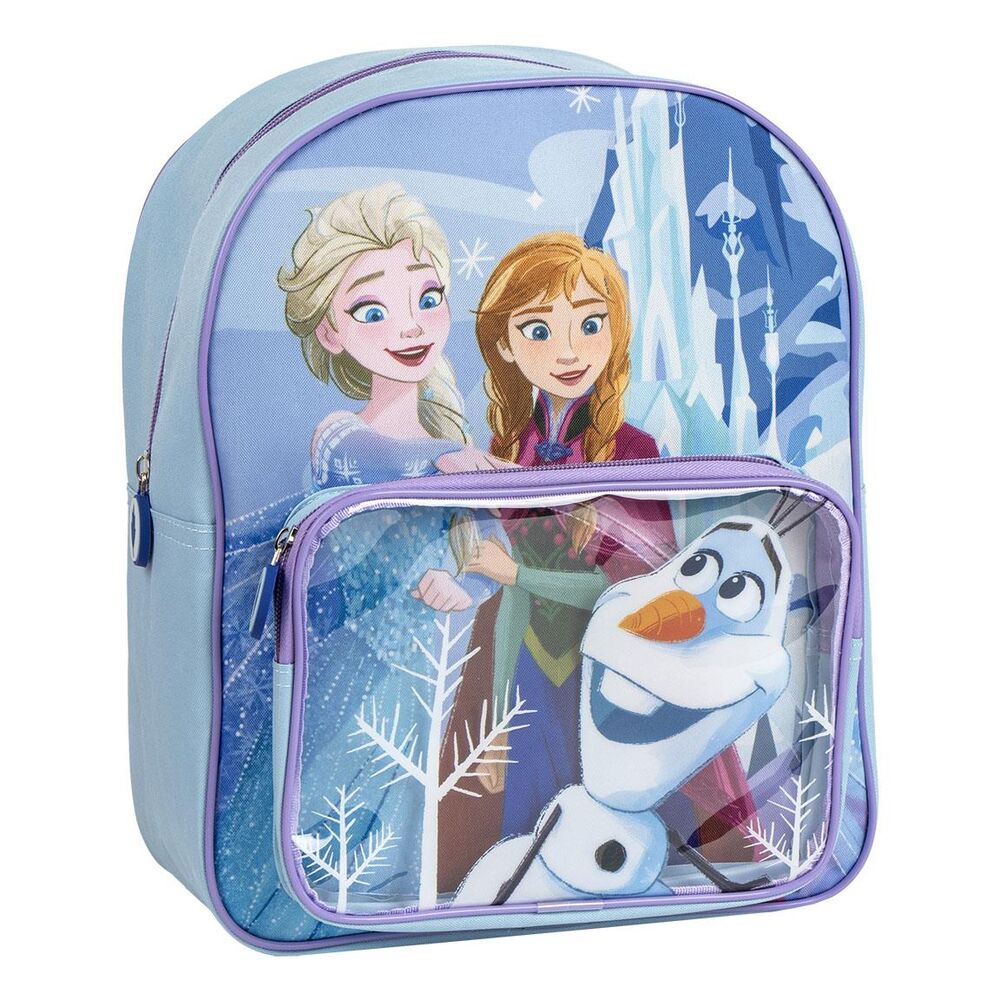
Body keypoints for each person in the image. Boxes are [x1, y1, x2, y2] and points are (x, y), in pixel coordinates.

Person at [439, 234, 759, 893]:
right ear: (504, 345)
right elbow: (508, 601)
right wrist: (494, 713)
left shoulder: (633, 450)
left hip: (613, 674)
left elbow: (636, 602)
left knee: (627, 823)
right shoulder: (508, 445)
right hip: (530, 668)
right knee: (526, 837)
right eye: (539, 330)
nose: (569, 351)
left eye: (591, 324)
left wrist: (516, 573)